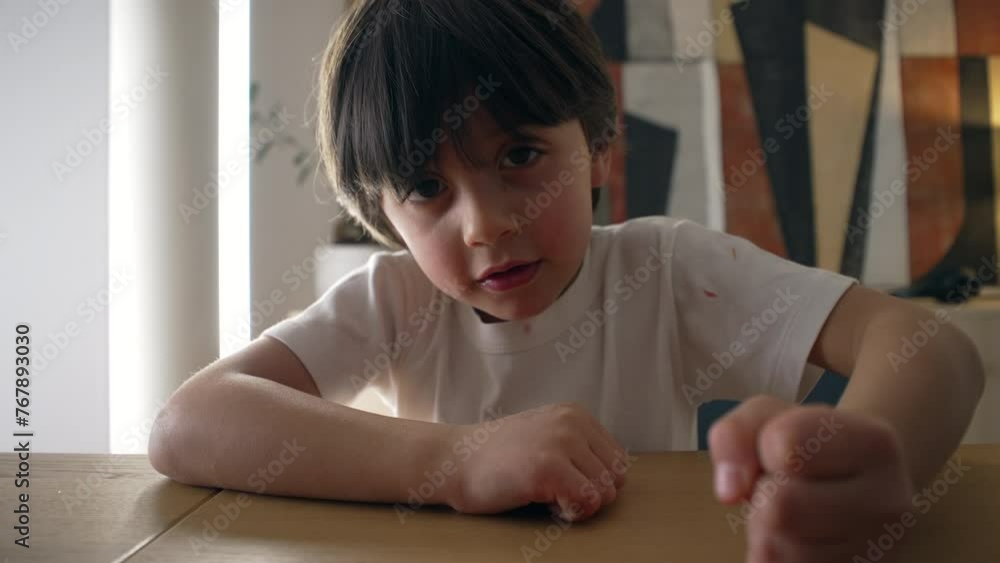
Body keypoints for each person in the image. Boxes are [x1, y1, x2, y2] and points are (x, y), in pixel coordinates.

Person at [149, 1, 984, 560]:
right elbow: (189, 424)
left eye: (519, 156)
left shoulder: (665, 270)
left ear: (599, 148)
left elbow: (930, 347)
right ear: (383, 219)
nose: (482, 224)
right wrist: (459, 460)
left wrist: (884, 462)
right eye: (427, 189)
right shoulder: (396, 299)